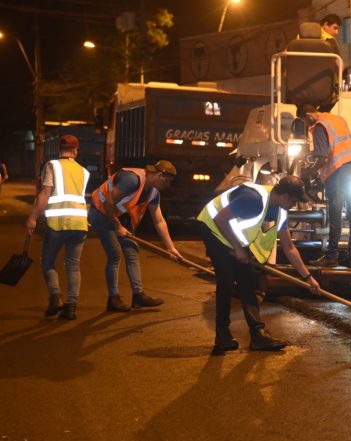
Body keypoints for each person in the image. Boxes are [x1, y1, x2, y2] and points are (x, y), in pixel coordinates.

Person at [197, 175, 322, 355]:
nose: (295, 205)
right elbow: (220, 219)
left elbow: (289, 247)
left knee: (248, 281)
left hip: (232, 236)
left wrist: (308, 277)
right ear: (286, 196)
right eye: (294, 200)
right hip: (214, 229)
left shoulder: (280, 211)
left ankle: (258, 335)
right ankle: (222, 335)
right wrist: (238, 249)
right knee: (226, 280)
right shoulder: (253, 199)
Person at [89, 160, 183, 312]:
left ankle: (138, 296)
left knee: (132, 250)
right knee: (114, 253)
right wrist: (117, 226)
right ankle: (113, 299)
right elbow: (108, 202)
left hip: (118, 215)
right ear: (159, 175)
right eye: (167, 182)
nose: (168, 186)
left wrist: (170, 248)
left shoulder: (153, 193)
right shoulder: (132, 180)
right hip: (100, 212)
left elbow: (159, 221)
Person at [25, 135, 89, 320]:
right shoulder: (84, 172)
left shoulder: (52, 166)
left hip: (58, 224)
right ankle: (71, 307)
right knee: (73, 266)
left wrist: (33, 218)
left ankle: (55, 298)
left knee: (47, 262)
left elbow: (45, 194)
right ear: (76, 151)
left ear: (58, 150)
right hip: (79, 224)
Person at [299, 104, 351, 268]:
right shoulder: (336, 118)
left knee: (335, 215)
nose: (307, 126)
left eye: (305, 122)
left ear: (308, 115)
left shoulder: (319, 126)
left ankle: (332, 256)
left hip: (338, 172)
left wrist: (308, 172)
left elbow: (321, 157)